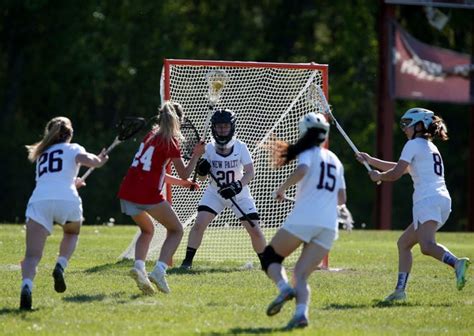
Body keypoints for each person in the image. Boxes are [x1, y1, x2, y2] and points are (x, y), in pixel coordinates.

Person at [356, 107, 470, 302]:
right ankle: (400, 291)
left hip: (426, 200)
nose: (404, 129)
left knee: (426, 246)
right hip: (442, 201)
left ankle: (457, 263)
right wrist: (370, 160)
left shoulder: (413, 144)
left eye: (407, 124)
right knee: (404, 243)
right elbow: (403, 167)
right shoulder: (428, 146)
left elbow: (395, 173)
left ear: (419, 125)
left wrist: (379, 176)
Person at [261, 112, 346, 330]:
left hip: (305, 219)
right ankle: (300, 314)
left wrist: (282, 188)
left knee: (270, 257)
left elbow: (303, 169)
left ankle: (283, 287)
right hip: (329, 226)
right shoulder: (335, 159)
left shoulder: (308, 153)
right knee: (301, 274)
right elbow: (342, 199)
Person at [21, 116, 109, 310]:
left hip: (39, 201)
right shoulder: (74, 148)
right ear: (70, 134)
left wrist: (73, 182)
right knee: (71, 233)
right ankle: (60, 265)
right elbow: (91, 161)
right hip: (67, 200)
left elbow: (53, 179)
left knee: (31, 257)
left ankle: (26, 286)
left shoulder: (42, 154)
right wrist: (100, 160)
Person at [118, 101, 205, 295]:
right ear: (178, 121)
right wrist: (196, 155)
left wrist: (183, 184)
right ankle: (159, 271)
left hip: (127, 192)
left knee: (147, 230)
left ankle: (139, 268)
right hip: (146, 194)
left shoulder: (150, 136)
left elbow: (156, 173)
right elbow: (185, 173)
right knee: (176, 230)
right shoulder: (170, 142)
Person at [180, 108, 266, 269]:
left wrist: (237, 186)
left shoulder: (241, 147)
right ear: (213, 127)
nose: (222, 129)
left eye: (225, 126)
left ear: (232, 126)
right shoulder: (207, 148)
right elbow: (202, 178)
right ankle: (187, 262)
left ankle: (266, 264)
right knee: (199, 225)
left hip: (239, 194)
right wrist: (202, 170)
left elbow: (250, 172)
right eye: (219, 126)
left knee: (254, 229)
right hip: (215, 193)